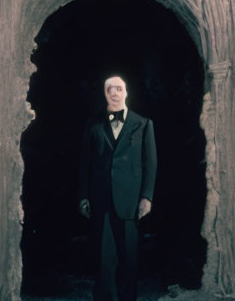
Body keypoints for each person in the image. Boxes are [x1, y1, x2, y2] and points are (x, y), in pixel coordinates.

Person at [78, 75, 157, 301]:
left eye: (119, 88)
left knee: (129, 261)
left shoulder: (143, 124)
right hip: (101, 201)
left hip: (130, 203)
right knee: (103, 262)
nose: (114, 93)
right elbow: (84, 163)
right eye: (109, 89)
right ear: (105, 94)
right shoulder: (93, 125)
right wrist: (83, 196)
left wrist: (147, 197)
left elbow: (150, 163)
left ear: (126, 92)